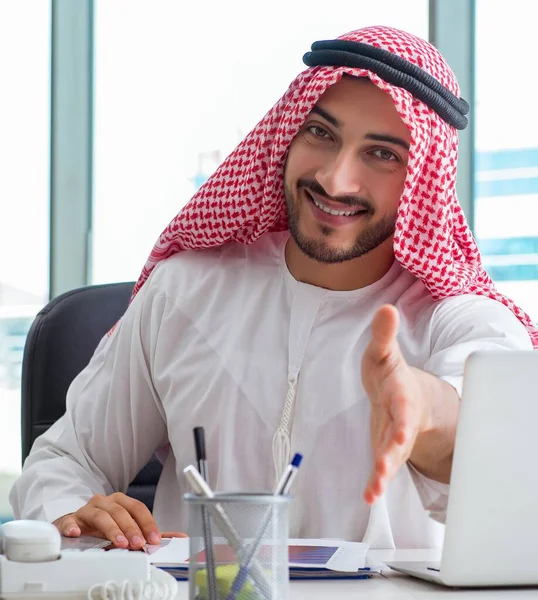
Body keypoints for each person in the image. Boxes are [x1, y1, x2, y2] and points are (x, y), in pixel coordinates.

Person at [10, 25, 537, 551]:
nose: (336, 180)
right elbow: (63, 461)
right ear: (288, 132)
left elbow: (479, 440)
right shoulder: (185, 292)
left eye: (382, 155)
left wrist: (421, 409)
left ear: (422, 177)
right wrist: (72, 513)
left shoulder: (466, 321)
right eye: (322, 134)